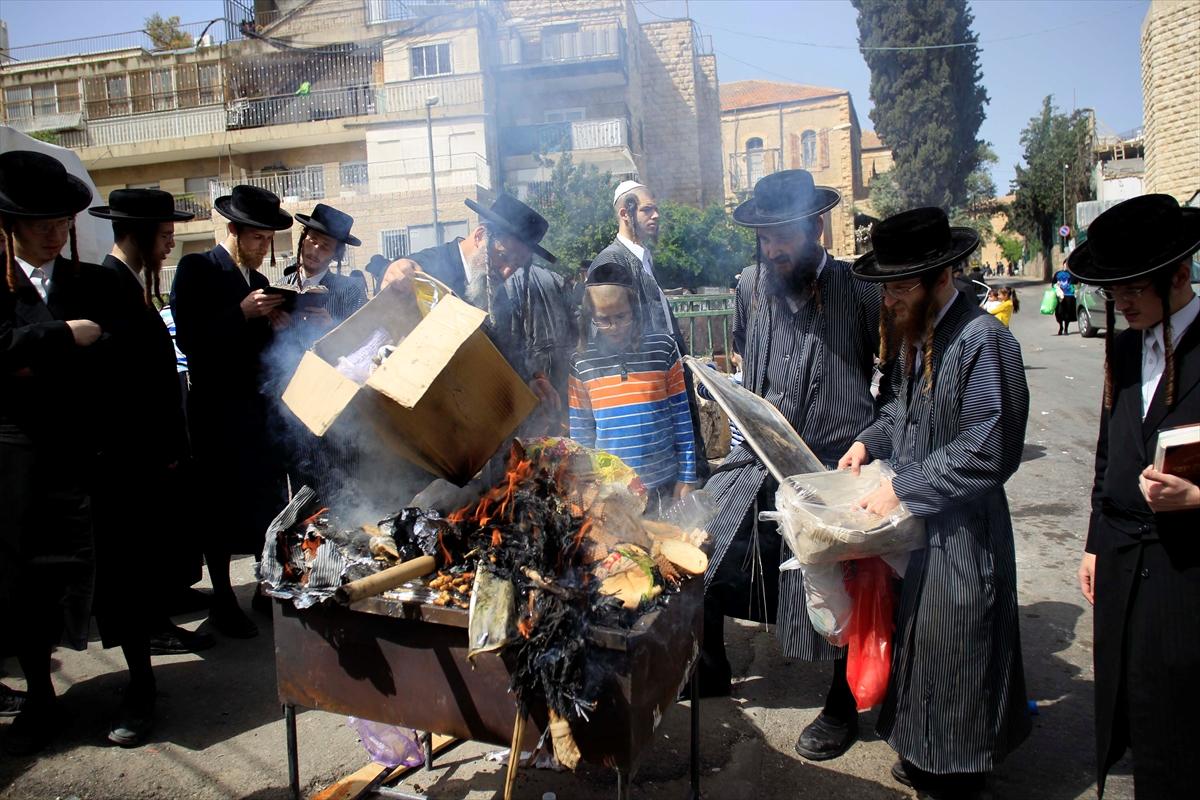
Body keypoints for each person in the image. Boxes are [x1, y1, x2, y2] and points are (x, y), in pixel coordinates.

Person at [841, 206, 1031, 798]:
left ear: (942, 276)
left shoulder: (983, 341)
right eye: (887, 288)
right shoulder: (917, 335)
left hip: (965, 534)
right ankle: (925, 754)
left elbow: (989, 449)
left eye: (901, 287)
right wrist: (866, 442)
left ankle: (961, 773)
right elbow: (901, 413)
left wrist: (903, 487)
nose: (890, 301)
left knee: (960, 651)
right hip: (920, 529)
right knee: (920, 646)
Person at [700, 170, 881, 762]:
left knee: (838, 587)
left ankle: (842, 702)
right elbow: (746, 354)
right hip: (756, 458)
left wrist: (872, 442)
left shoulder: (861, 291)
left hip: (833, 464)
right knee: (703, 543)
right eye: (765, 237)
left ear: (816, 228)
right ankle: (710, 663)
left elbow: (895, 381)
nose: (774, 249)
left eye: (784, 236)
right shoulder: (751, 285)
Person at [1068, 194, 1200, 799]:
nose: (1120, 303)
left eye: (1133, 288)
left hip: (1184, 568)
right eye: (1111, 290)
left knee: (1181, 720)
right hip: (1123, 559)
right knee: (1135, 706)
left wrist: (1195, 497)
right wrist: (1095, 542)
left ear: (1179, 275)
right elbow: (1108, 457)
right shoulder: (1124, 347)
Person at [86, 188, 215, 744]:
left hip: (155, 457)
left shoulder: (136, 285)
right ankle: (139, 687)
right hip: (125, 463)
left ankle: (156, 635)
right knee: (127, 578)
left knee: (151, 567)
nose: (168, 246)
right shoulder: (104, 286)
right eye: (163, 236)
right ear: (137, 234)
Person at [0, 150, 112, 754]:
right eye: (41, 224)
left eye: (62, 223)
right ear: (12, 226)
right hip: (19, 456)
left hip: (83, 450)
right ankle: (40, 689)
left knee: (88, 566)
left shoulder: (86, 281)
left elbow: (115, 351)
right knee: (25, 580)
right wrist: (61, 336)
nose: (54, 234)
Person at [170, 185, 293, 639]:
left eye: (269, 240)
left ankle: (263, 586)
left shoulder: (258, 281)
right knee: (218, 509)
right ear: (234, 231)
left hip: (257, 413)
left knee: (262, 505)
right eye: (257, 238)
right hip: (216, 414)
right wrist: (239, 313)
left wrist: (280, 325)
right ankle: (223, 598)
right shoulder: (197, 268)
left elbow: (260, 352)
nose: (263, 247)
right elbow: (190, 339)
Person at [380, 194, 573, 434]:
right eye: (503, 257)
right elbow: (399, 275)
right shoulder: (432, 265)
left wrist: (531, 380)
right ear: (481, 236)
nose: (506, 271)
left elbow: (503, 351)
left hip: (463, 424)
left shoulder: (498, 294)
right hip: (410, 419)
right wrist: (394, 272)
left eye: (516, 265)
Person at [589, 180, 709, 477]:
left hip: (665, 379)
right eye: (646, 210)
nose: (656, 216)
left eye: (656, 209)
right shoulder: (612, 262)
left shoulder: (642, 258)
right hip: (643, 392)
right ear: (625, 213)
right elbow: (606, 334)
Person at [568, 260, 698, 510]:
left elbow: (682, 419)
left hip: (662, 485)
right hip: (612, 492)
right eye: (603, 319)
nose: (614, 327)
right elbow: (581, 433)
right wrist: (586, 486)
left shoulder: (663, 348)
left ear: (635, 309)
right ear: (590, 316)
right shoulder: (582, 361)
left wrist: (686, 477)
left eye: (621, 316)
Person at [275, 203, 367, 498]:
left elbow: (365, 345)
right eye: (311, 240)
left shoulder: (350, 290)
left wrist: (332, 328)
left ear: (335, 254)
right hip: (291, 403)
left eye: (324, 246)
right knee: (301, 489)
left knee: (339, 487)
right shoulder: (280, 286)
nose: (314, 250)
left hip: (334, 407)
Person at [1054, 267, 1076, 335]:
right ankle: (1061, 327)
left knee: (1067, 313)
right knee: (1058, 313)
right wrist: (1056, 286)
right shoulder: (1057, 273)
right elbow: (1053, 283)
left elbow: (1075, 282)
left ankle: (1066, 329)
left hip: (1069, 295)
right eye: (1065, 264)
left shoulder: (1072, 274)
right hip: (1059, 296)